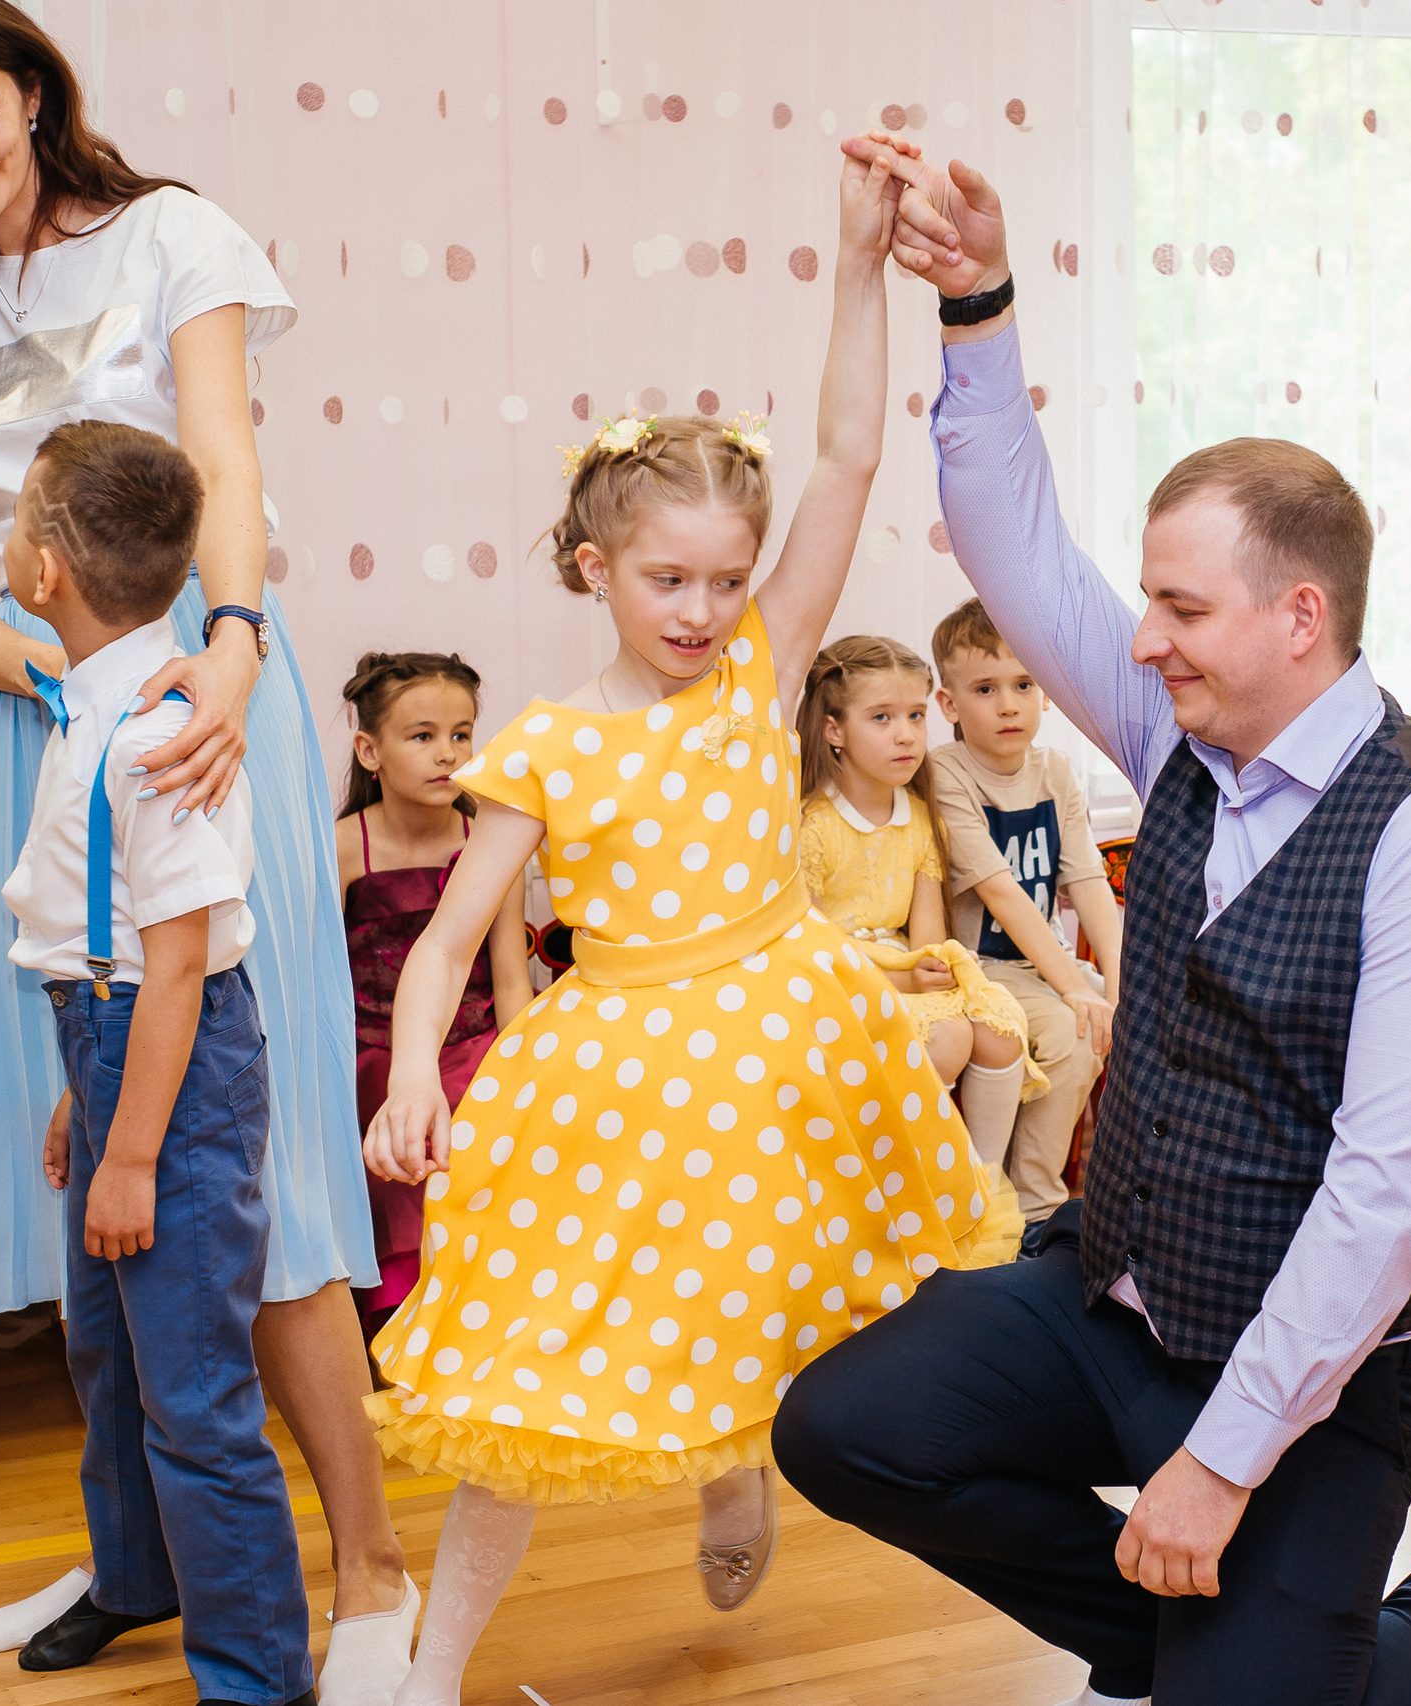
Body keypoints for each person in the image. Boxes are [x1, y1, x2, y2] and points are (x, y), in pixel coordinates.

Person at [780, 136, 1411, 1706]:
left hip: (1325, 1382)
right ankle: (1195, 1655)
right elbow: (1014, 549)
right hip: (1123, 1306)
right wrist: (979, 303)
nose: (1138, 639)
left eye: (1181, 610)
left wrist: (1217, 1464)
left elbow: (1383, 1200)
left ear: (1303, 617)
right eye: (1146, 602)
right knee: (843, 1425)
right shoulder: (1178, 738)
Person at [0, 2, 412, 1678]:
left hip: (206, 701)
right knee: (91, 1180)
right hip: (39, 708)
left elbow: (222, 459)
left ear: (39, 91)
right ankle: (137, 1562)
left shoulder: (173, 236)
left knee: (246, 1156)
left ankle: (370, 1576)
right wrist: (65, 674)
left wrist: (212, 650)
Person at [356, 145, 1009, 1706]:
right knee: (533, 1364)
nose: (705, 608)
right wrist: (406, 1076)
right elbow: (452, 933)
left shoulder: (756, 674)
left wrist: (858, 264)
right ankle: (432, 1672)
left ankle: (738, 1470)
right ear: (597, 569)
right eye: (669, 579)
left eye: (727, 578)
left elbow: (848, 456)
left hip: (785, 1030)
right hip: (624, 1062)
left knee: (784, 1301)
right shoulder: (547, 742)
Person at [0, 420, 314, 1706]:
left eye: (18, 518)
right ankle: (136, 1575)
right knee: (108, 1353)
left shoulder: (153, 731)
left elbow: (179, 964)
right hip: (114, 1042)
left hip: (175, 1074)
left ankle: (256, 1677)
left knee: (195, 1391)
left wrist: (134, 1149)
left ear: (51, 566)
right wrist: (90, 1085)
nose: (4, 540)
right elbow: (107, 936)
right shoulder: (90, 700)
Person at [794, 632, 1042, 1218]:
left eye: (914, 715)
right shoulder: (815, 825)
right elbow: (811, 944)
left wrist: (931, 967)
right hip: (837, 981)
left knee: (1002, 1028)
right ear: (834, 730)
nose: (906, 733)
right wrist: (905, 983)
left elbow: (928, 932)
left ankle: (978, 1189)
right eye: (881, 717)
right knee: (951, 1036)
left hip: (901, 969)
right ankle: (907, 1189)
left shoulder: (919, 817)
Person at [335, 652, 531, 1342]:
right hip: (373, 1054)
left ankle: (481, 1320)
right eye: (422, 736)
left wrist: (527, 1075)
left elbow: (510, 976)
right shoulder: (343, 849)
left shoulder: (491, 841)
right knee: (390, 1117)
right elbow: (324, 983)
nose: (447, 754)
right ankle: (403, 1321)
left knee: (490, 1131)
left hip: (474, 1047)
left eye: (461, 734)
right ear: (370, 750)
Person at [925, 596, 1123, 1230]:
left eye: (1023, 684)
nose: (1009, 704)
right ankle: (1021, 1207)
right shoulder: (946, 774)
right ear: (950, 705)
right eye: (986, 688)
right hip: (983, 969)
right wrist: (1076, 988)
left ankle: (1042, 1199)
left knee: (1099, 1028)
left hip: (1041, 968)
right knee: (1068, 1029)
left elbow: (1089, 882)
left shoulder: (1055, 771)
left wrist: (1120, 991)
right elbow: (1001, 891)